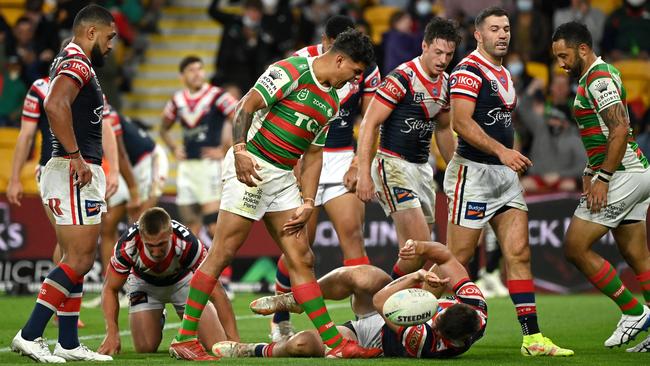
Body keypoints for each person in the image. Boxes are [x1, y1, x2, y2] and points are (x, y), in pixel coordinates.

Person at [169, 29, 377, 360]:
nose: (355, 80)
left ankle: (337, 345)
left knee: (302, 257)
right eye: (354, 72)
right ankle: (184, 339)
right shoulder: (291, 70)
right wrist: (239, 151)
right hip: (251, 166)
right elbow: (243, 106)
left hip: (282, 177)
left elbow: (312, 155)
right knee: (223, 251)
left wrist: (309, 201)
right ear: (340, 59)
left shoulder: (333, 100)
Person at [443, 6, 573, 356]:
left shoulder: (502, 72)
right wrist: (503, 152)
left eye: (506, 28)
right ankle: (434, 327)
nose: (503, 34)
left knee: (519, 253)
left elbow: (499, 121)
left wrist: (507, 156)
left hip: (503, 177)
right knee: (457, 258)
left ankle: (532, 338)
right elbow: (461, 123)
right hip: (472, 173)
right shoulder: (468, 71)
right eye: (495, 29)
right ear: (478, 34)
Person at [10, 4, 116, 362]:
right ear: (91, 32)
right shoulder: (76, 62)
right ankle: (30, 334)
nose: (112, 45)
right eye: (110, 37)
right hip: (73, 168)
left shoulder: (71, 60)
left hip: (76, 167)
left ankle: (68, 342)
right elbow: (55, 106)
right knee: (81, 257)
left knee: (78, 258)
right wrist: (75, 156)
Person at [269, 14, 381, 342]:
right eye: (336, 48)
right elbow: (277, 111)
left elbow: (370, 119)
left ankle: (366, 320)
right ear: (327, 43)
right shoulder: (299, 61)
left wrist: (360, 165)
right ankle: (280, 317)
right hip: (302, 157)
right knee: (301, 245)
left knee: (352, 235)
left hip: (341, 154)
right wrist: (289, 163)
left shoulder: (365, 68)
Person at [551, 21, 650, 352]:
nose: (561, 64)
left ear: (582, 49)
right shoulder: (594, 76)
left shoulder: (598, 78)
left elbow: (620, 129)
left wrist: (603, 177)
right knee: (637, 255)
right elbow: (604, 134)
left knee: (575, 247)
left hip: (621, 173)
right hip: (633, 171)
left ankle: (633, 311)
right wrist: (590, 169)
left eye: (564, 56)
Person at [220, 239, 487, 359]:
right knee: (362, 276)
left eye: (436, 319)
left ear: (452, 340)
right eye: (439, 311)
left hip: (373, 333)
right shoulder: (477, 311)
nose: (437, 314)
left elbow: (382, 302)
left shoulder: (426, 342)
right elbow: (447, 257)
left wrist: (414, 277)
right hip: (395, 307)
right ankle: (298, 300)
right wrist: (421, 248)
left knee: (301, 344)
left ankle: (250, 349)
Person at [356, 17, 459, 278]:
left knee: (412, 253)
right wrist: (363, 172)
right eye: (438, 52)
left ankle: (389, 304)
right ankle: (385, 298)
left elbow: (445, 130)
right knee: (421, 244)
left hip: (422, 169)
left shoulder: (446, 83)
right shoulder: (402, 78)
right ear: (424, 46)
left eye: (449, 54)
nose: (443, 59)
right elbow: (369, 123)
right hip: (393, 165)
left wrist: (456, 171)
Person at [97, 207, 235, 355]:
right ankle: (159, 316)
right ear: (141, 236)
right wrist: (112, 334)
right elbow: (110, 288)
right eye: (150, 245)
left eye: (161, 244)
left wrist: (234, 341)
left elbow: (217, 292)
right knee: (145, 348)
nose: (156, 252)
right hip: (144, 285)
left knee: (216, 344)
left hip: (184, 282)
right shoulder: (127, 245)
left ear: (170, 233)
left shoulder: (188, 242)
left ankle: (188, 323)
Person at [161, 55, 236, 237]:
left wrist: (226, 150)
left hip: (209, 167)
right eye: (191, 70)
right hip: (186, 168)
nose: (197, 74)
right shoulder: (177, 100)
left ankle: (223, 266)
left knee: (213, 226)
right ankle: (195, 265)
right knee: (189, 227)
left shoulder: (217, 96)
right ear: (182, 76)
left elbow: (241, 117)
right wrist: (173, 148)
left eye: (199, 69)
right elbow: (163, 129)